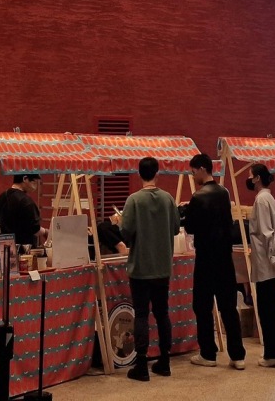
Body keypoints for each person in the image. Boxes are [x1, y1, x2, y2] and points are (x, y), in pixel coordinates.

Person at [118, 155, 180, 382]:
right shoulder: (168, 199)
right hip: (163, 267)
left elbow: (125, 232)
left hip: (140, 267)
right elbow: (176, 228)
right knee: (162, 313)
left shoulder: (133, 200)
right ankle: (165, 360)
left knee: (142, 314)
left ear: (139, 174)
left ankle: (142, 363)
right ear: (157, 173)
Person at [183, 152, 246, 370]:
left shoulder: (198, 197)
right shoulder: (224, 193)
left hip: (205, 259)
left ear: (202, 169)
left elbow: (190, 226)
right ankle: (237, 355)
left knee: (202, 306)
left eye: (193, 172)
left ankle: (208, 353)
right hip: (225, 258)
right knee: (229, 307)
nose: (193, 176)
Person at [247, 163, 275, 367]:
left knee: (268, 310)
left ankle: (273, 354)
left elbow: (267, 233)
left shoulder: (261, 200)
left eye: (250, 175)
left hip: (268, 264)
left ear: (257, 178)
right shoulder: (269, 198)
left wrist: (272, 257)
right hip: (272, 263)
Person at [0, 173, 45, 249]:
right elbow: (35, 228)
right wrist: (46, 232)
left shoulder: (2, 197)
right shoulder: (26, 201)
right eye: (34, 182)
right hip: (24, 249)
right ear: (25, 179)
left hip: (4, 248)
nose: (36, 186)